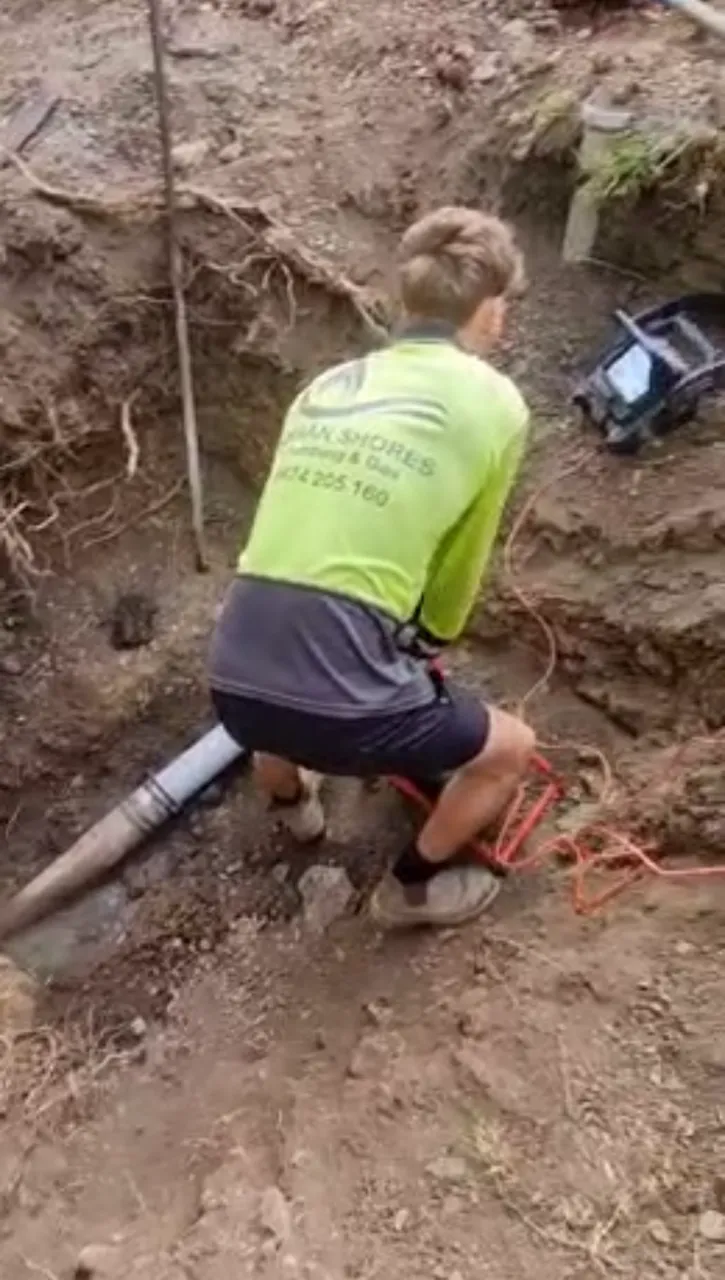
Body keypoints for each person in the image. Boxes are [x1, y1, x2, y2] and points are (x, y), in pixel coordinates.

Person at [208, 205, 535, 929]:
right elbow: (463, 554)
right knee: (511, 750)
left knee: (277, 712)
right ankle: (413, 887)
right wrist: (430, 637)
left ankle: (293, 810)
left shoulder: (326, 387)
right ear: (487, 309)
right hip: (344, 714)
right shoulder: (495, 403)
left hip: (233, 682)